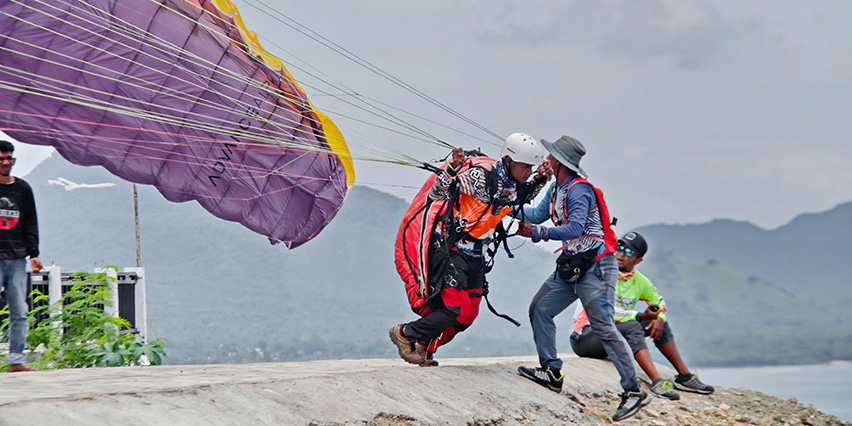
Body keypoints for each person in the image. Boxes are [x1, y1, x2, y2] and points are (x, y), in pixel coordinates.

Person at [515, 135, 650, 422]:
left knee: (603, 327)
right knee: (540, 309)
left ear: (561, 163)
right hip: (571, 267)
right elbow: (536, 214)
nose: (546, 161)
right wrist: (502, 204)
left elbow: (575, 228)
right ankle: (551, 371)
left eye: (551, 157)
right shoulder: (556, 189)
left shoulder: (579, 191)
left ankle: (633, 390)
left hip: (597, 268)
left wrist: (536, 233)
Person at [390, 133, 549, 367]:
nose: (529, 171)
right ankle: (405, 333)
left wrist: (540, 180)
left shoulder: (516, 185)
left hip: (476, 254)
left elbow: (519, 199)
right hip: (452, 251)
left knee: (469, 315)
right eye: (526, 166)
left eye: (531, 167)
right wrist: (451, 171)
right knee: (455, 309)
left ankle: (425, 344)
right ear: (509, 161)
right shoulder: (479, 177)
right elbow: (436, 194)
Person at [570, 231, 715, 400]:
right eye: (620, 247)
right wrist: (639, 316)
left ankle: (685, 377)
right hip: (585, 337)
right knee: (633, 325)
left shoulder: (639, 281)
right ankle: (657, 382)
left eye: (629, 252)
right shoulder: (600, 272)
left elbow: (660, 302)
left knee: (658, 323)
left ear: (638, 260)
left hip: (611, 336)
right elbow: (605, 310)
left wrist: (660, 318)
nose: (621, 254)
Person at [0, 140, 42, 372]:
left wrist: (34, 254)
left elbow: (30, 223)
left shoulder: (23, 189)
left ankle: (15, 360)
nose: (7, 163)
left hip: (17, 257)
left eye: (10, 158)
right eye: (2, 159)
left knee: (19, 311)